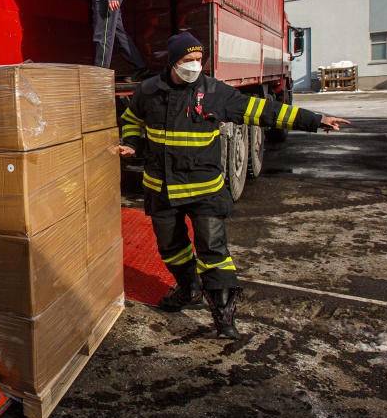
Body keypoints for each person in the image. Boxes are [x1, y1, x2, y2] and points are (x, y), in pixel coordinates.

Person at [112, 32, 349, 339]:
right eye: (188, 61)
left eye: (199, 60)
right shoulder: (148, 91)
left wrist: (314, 120)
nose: (195, 66)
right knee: (172, 250)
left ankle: (224, 317)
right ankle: (189, 291)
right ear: (173, 62)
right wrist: (131, 142)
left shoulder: (216, 93)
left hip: (204, 191)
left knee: (214, 252)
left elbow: (265, 111)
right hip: (161, 191)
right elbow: (132, 118)